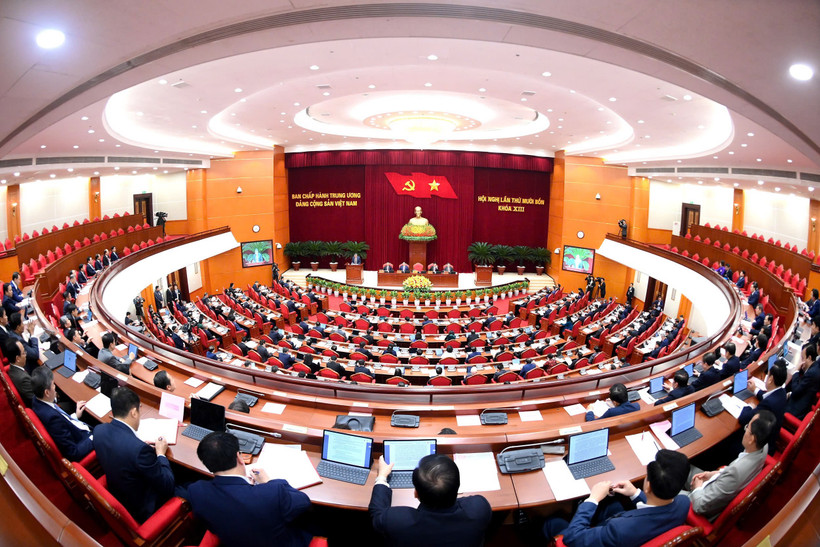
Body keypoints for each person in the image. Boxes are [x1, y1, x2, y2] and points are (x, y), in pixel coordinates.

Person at [188, 432, 313, 547]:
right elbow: (304, 502)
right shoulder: (273, 491)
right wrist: (268, 482)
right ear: (239, 457)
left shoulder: (196, 492)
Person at [543, 449, 690, 546]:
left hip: (621, 535)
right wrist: (635, 493)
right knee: (612, 504)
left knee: (552, 523)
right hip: (639, 530)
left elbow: (572, 537)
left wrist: (593, 499)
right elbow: (659, 508)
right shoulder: (684, 503)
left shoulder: (620, 530)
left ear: (648, 487)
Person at [369, 453, 491, 547]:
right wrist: (447, 492)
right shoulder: (479, 508)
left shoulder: (396, 521)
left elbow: (377, 514)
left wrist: (382, 477)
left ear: (416, 493)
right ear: (458, 486)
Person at [92, 387, 176, 523]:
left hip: (119, 491)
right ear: (134, 413)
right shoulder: (139, 451)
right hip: (142, 507)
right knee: (186, 488)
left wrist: (137, 445)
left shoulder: (99, 430)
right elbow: (168, 486)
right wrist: (161, 454)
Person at [685, 411, 775, 521]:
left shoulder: (736, 472)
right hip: (716, 484)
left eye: (747, 427)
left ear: (752, 439)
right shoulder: (763, 447)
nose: (745, 429)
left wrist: (697, 488)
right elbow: (731, 474)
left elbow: (699, 506)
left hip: (700, 501)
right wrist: (713, 474)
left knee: (665, 489)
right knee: (681, 463)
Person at [30, 367, 93, 462]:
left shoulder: (36, 400)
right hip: (83, 440)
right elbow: (73, 453)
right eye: (53, 384)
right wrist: (95, 436)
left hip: (74, 428)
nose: (55, 387)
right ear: (47, 392)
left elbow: (63, 422)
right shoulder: (52, 419)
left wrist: (75, 416)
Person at [737, 361, 787, 456]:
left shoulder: (769, 403)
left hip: (760, 448)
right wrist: (755, 390)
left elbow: (743, 419)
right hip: (769, 439)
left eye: (768, 375)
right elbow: (768, 396)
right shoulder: (782, 392)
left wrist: (749, 406)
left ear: (771, 379)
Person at [785, 343, 820, 420]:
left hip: (795, 411)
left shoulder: (812, 373)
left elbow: (796, 391)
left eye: (802, 358)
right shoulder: (814, 367)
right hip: (800, 400)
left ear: (809, 358)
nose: (801, 361)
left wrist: (796, 371)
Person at [5, 339, 34, 405]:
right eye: (24, 353)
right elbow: (36, 399)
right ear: (17, 358)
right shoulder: (23, 379)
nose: (26, 355)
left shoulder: (12, 369)